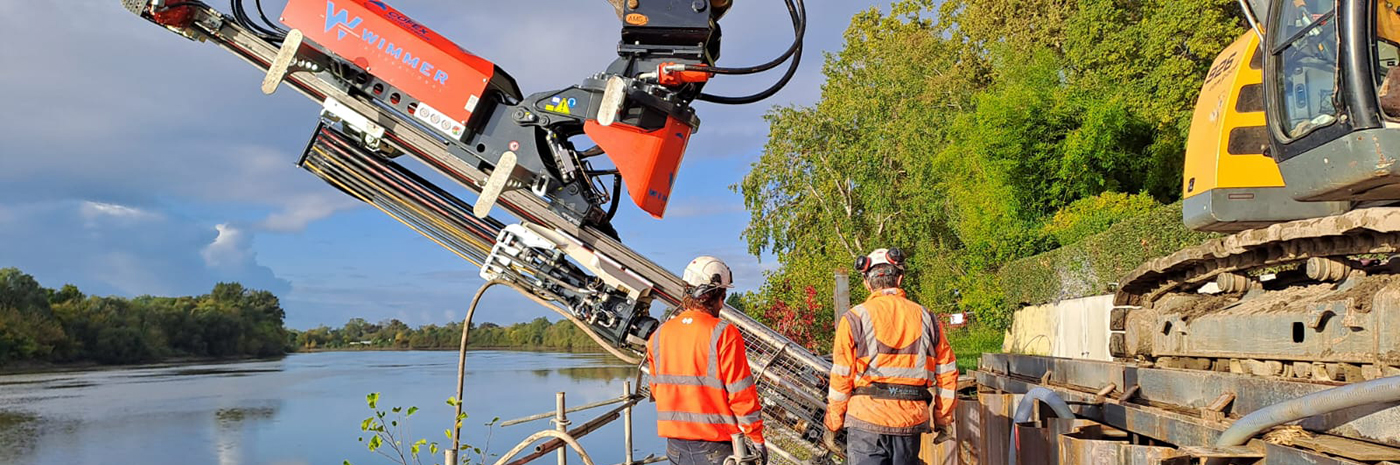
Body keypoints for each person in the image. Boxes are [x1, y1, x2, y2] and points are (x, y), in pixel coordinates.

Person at [825, 248, 958, 465]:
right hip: (910, 421)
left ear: (867, 284)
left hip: (866, 421)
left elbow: (841, 377)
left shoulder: (853, 319)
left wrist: (833, 423)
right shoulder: (927, 318)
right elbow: (947, 373)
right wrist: (942, 419)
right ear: (900, 279)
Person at [648, 256, 766, 465]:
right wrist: (756, 439)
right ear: (714, 296)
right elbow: (741, 395)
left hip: (675, 448)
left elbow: (658, 390)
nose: (722, 304)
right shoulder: (723, 333)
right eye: (723, 297)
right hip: (716, 448)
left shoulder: (659, 335)